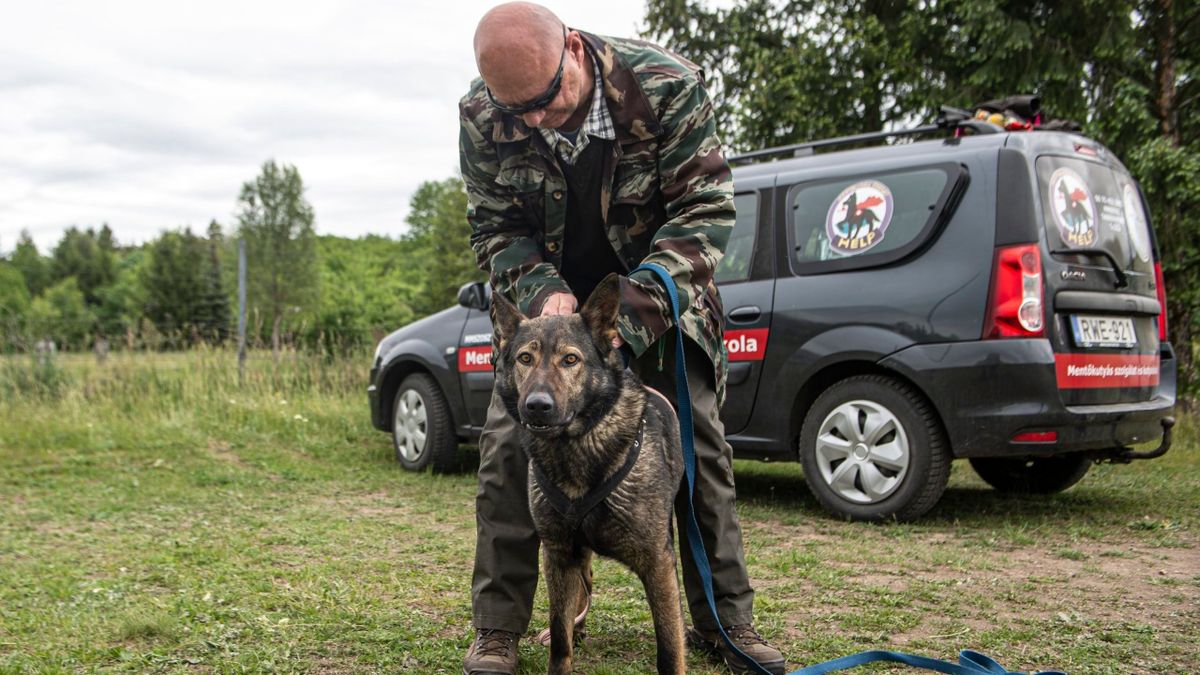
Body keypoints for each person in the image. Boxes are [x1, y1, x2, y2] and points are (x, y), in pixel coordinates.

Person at [458, 3, 786, 674]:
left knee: (698, 446)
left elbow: (706, 210)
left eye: (545, 102)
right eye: (515, 111)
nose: (531, 122)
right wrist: (542, 289)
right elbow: (494, 228)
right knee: (503, 452)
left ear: (573, 50)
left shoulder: (666, 85)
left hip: (655, 296)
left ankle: (726, 621)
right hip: (544, 316)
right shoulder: (484, 113)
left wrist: (624, 314)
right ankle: (498, 629)